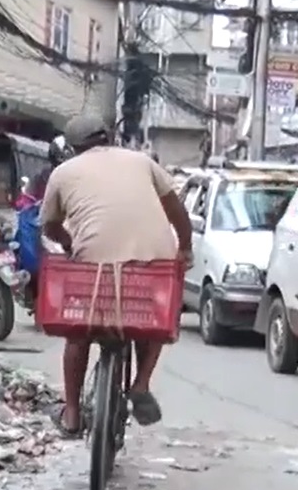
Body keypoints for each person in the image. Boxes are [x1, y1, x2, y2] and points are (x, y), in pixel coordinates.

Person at [40, 113, 194, 435]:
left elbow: (50, 226)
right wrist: (185, 248)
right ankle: (140, 383)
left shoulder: (62, 172)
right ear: (108, 136)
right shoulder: (141, 161)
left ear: (72, 147)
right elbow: (176, 209)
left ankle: (71, 412)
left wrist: (69, 243)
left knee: (77, 334)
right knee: (154, 319)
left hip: (94, 263)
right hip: (153, 258)